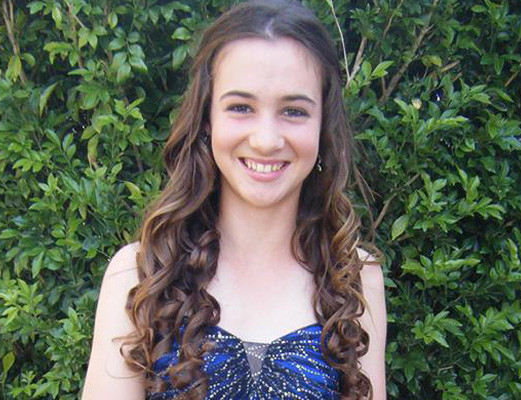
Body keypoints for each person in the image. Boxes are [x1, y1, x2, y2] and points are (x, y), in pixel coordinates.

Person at [83, 0, 386, 398]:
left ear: (322, 126)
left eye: (294, 111)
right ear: (207, 119)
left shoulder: (357, 280)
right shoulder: (139, 275)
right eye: (241, 107)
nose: (266, 140)